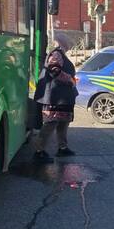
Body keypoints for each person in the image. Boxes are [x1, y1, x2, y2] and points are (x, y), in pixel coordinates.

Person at [33, 32, 78, 163]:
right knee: (50, 123)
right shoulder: (56, 54)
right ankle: (39, 151)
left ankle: (62, 147)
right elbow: (54, 70)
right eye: (68, 44)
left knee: (63, 123)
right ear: (63, 44)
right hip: (54, 96)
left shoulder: (59, 54)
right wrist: (69, 79)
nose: (70, 46)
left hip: (61, 97)